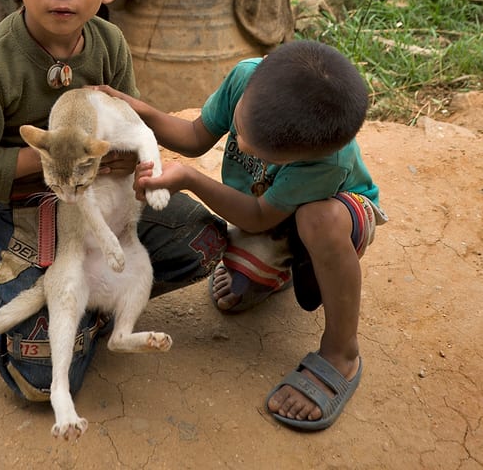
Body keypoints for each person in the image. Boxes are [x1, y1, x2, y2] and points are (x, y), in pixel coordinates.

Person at [0, 0, 227, 402]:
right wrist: (56, 156)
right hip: (32, 205)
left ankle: (91, 299)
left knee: (206, 241)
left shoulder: (109, 44)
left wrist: (126, 162)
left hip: (102, 204)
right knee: (40, 383)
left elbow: (127, 121)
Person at [109, 39, 386, 432]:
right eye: (239, 129)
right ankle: (281, 271)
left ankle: (342, 352)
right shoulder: (247, 78)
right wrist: (143, 114)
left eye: (264, 154)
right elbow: (193, 136)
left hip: (339, 214)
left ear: (304, 156)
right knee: (242, 280)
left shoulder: (327, 163)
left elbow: (256, 217)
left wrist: (189, 179)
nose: (238, 144)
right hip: (272, 208)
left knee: (316, 221)